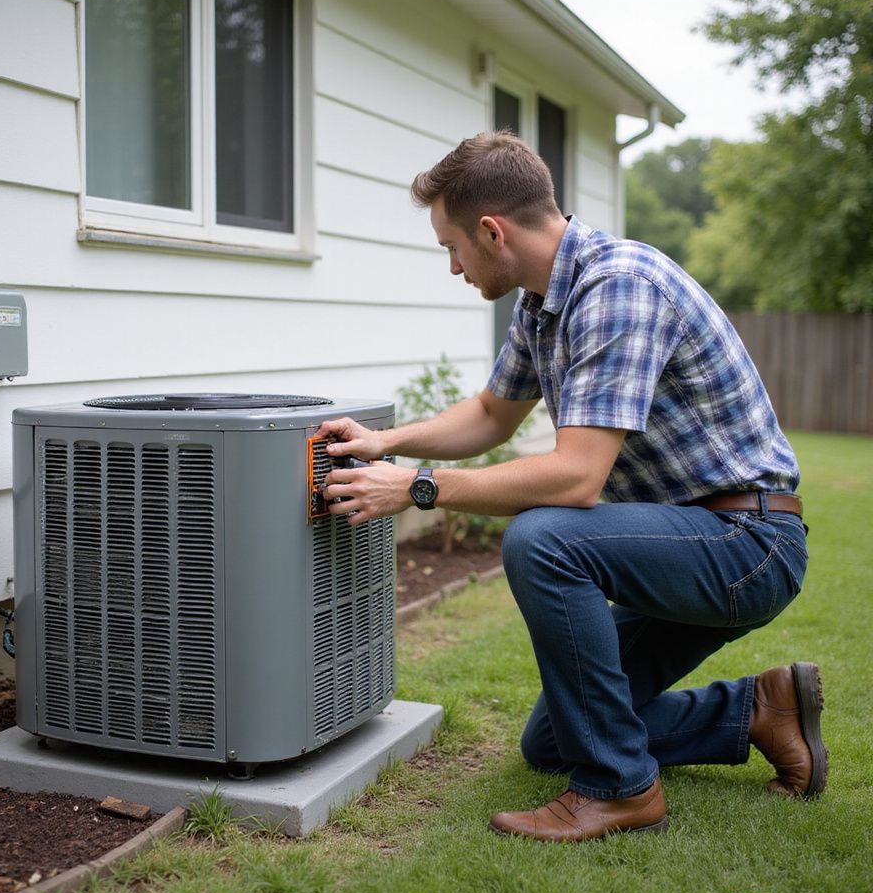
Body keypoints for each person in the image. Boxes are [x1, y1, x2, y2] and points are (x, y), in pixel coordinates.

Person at [315, 131, 826, 843]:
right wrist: (386, 442)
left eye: (452, 248)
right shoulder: (542, 301)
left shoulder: (618, 288)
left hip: (746, 543)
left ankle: (620, 789)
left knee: (544, 538)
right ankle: (761, 711)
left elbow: (578, 476)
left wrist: (417, 489)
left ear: (492, 231)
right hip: (683, 538)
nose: (454, 267)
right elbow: (492, 413)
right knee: (554, 739)